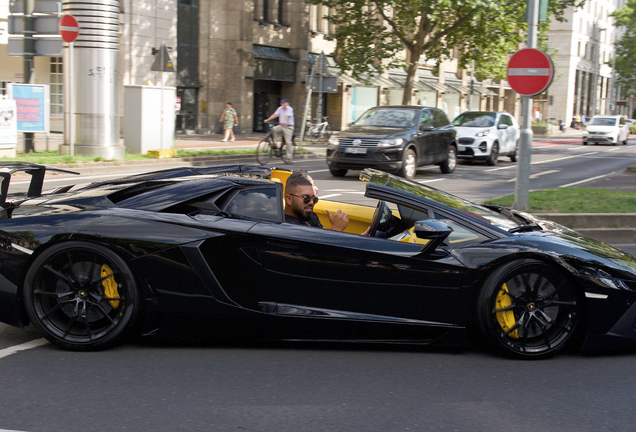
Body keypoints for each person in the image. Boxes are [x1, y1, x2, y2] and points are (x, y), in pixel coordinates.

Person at [284, 171, 349, 231]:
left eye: (314, 198)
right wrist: (336, 229)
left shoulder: (310, 216)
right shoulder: (288, 227)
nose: (311, 202)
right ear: (289, 199)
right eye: (306, 198)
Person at [264, 99, 294, 164]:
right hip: (281, 126)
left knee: (288, 142)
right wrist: (268, 119)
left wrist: (285, 121)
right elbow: (275, 114)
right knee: (273, 129)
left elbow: (287, 116)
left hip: (288, 127)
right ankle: (275, 143)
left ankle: (290, 158)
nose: (282, 104)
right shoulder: (280, 108)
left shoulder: (290, 109)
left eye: (284, 103)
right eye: (281, 103)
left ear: (287, 103)